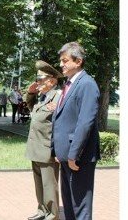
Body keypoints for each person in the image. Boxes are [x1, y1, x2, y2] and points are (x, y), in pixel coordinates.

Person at [52, 42, 100, 220]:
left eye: (65, 61)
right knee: (70, 206)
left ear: (78, 61)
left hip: (79, 158)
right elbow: (62, 119)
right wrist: (58, 150)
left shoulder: (87, 84)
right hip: (66, 156)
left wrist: (73, 154)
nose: (61, 64)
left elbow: (85, 123)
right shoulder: (69, 84)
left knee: (80, 207)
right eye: (61, 61)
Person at [25, 61, 62, 220]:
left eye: (40, 79)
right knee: (39, 184)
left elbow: (62, 125)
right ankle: (42, 211)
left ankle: (52, 215)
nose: (37, 82)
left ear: (52, 81)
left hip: (48, 150)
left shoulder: (59, 96)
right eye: (37, 79)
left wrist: (59, 150)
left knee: (49, 185)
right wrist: (31, 93)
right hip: (36, 148)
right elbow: (30, 107)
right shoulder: (42, 97)